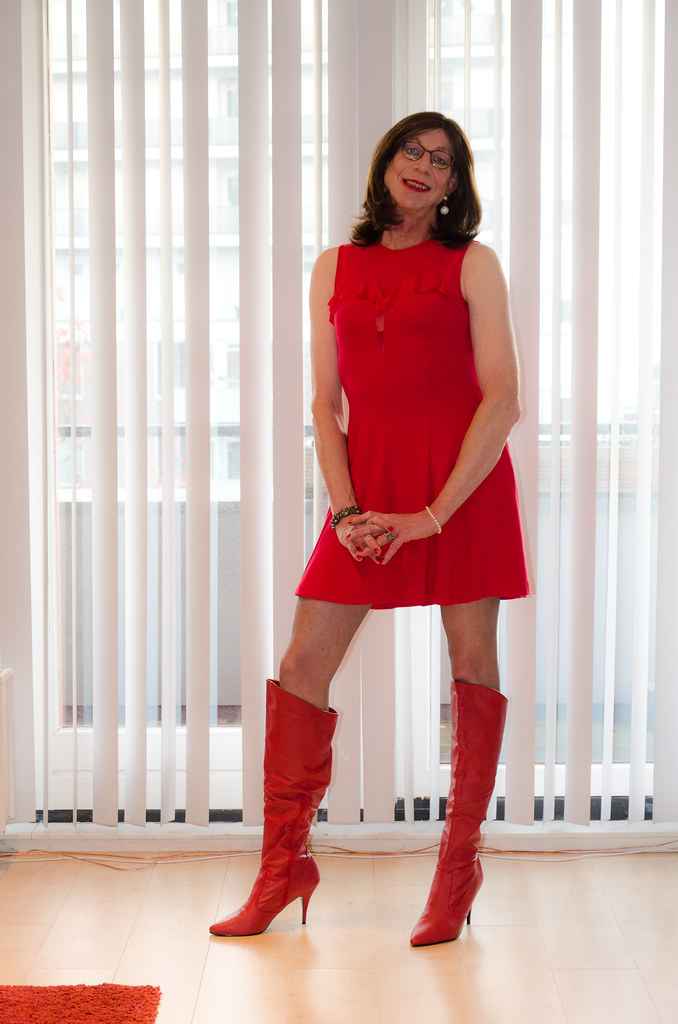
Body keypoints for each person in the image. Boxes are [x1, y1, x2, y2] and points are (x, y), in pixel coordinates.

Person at [210, 111, 529, 946]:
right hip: (366, 492)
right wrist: (347, 511)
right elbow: (325, 402)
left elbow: (503, 400)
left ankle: (456, 874)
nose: (424, 167)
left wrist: (431, 516)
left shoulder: (473, 264)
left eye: (443, 161)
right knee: (301, 664)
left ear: (454, 186)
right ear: (386, 163)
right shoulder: (334, 267)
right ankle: (284, 869)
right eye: (411, 152)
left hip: (461, 491)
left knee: (471, 671)